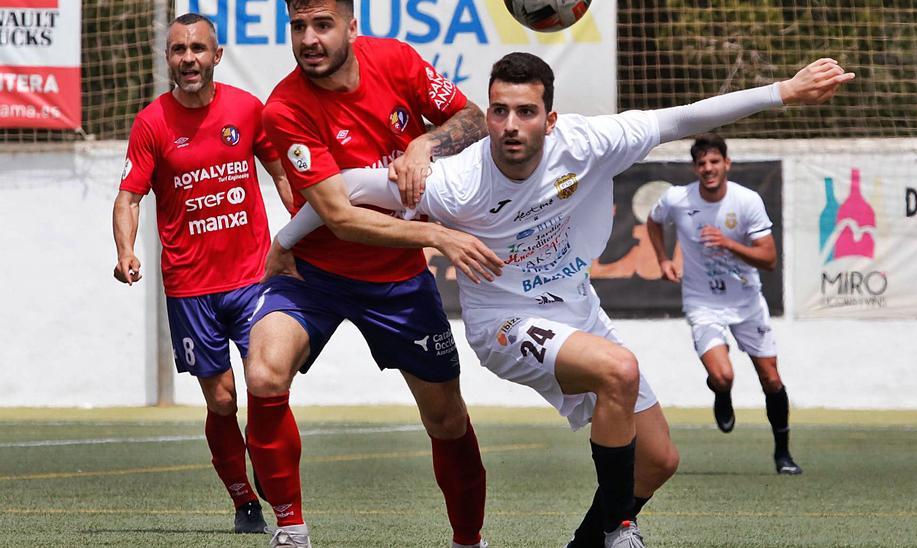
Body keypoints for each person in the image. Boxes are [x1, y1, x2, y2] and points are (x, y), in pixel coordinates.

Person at [269, 52, 852, 547]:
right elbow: (344, 189)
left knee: (659, 461)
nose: (511, 125)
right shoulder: (455, 180)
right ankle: (621, 527)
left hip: (577, 311)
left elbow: (684, 118)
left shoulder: (588, 143)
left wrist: (784, 91)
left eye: (526, 112)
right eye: (498, 111)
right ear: (487, 116)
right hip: (504, 324)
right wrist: (283, 242)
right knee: (619, 370)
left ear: (550, 120)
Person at [248, 1, 502, 547]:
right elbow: (339, 217)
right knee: (264, 374)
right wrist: (438, 234)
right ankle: (290, 530)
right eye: (298, 27)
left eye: (322, 25)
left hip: (397, 280)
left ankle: (468, 541)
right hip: (313, 271)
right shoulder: (284, 108)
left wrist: (423, 143)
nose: (309, 39)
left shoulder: (398, 61)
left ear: (351, 25)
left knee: (446, 419)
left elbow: (476, 120)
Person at [111, 13, 292, 536]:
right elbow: (128, 197)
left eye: (197, 48)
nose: (187, 58)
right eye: (177, 50)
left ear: (216, 55)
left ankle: (273, 476)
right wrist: (125, 250)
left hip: (254, 279)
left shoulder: (246, 109)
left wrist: (304, 234)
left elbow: (282, 171)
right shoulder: (151, 123)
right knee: (222, 400)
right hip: (191, 288)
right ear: (168, 59)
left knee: (266, 385)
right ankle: (243, 500)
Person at [644, 133, 800, 475]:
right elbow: (653, 222)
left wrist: (729, 244)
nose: (708, 169)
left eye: (715, 162)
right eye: (701, 163)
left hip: (746, 302)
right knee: (723, 375)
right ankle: (721, 392)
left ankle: (783, 454)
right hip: (703, 303)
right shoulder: (677, 198)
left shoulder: (747, 202)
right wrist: (663, 259)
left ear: (726, 164)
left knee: (771, 379)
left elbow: (769, 259)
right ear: (695, 167)